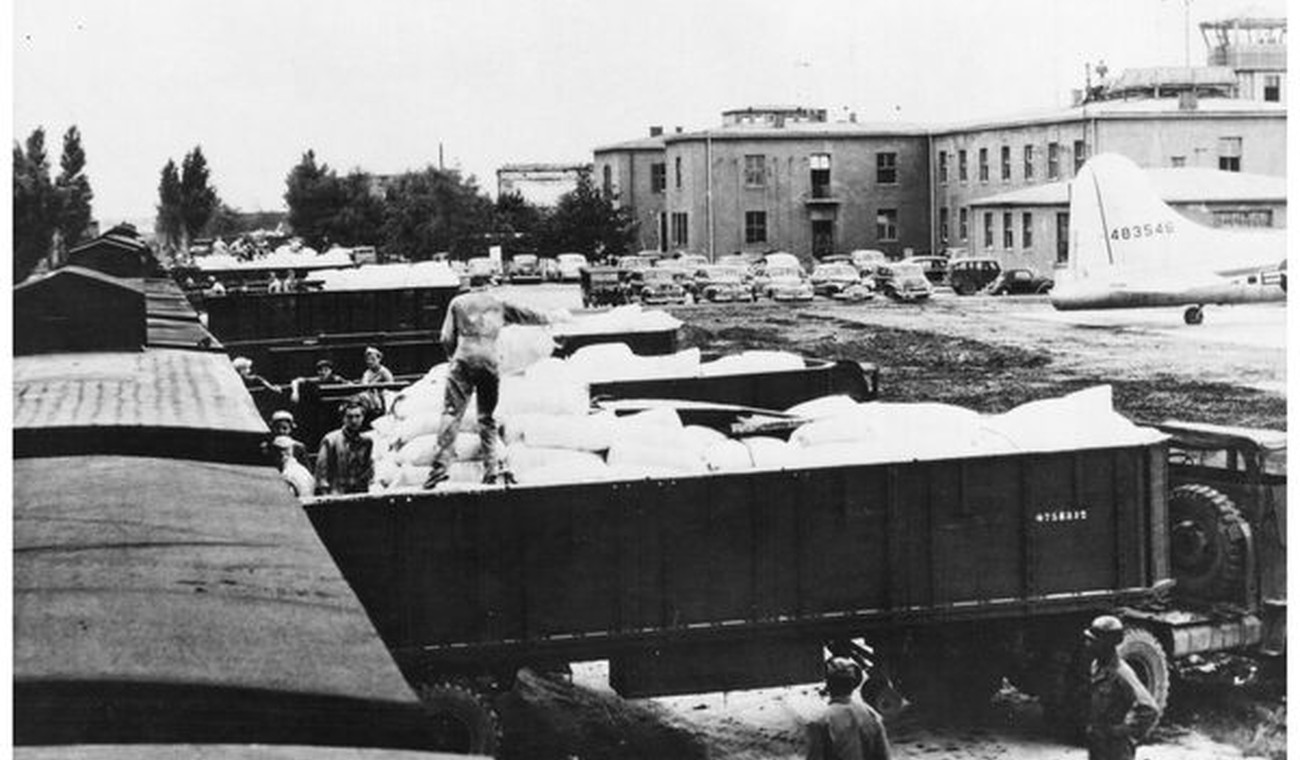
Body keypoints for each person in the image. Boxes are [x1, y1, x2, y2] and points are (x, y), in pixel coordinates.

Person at [423, 273, 560, 488]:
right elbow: (526, 314)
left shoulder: (457, 303)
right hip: (489, 358)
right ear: (489, 285)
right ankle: (491, 470)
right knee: (487, 417)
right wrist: (550, 317)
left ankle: (439, 470)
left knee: (451, 414)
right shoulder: (498, 303)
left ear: (471, 285)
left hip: (464, 356)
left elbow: (445, 337)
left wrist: (454, 357)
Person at [1084, 616, 1160, 760]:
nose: (1088, 644)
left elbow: (1149, 709)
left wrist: (1119, 731)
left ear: (1108, 644)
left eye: (1094, 641)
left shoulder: (1122, 674)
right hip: (1098, 745)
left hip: (1116, 750)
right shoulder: (1097, 665)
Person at [805, 657, 892, 760]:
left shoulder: (820, 722)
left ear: (828, 685)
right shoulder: (872, 716)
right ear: (853, 685)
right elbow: (884, 756)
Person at [314, 400, 374, 495]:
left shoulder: (367, 442)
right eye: (350, 417)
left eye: (357, 416)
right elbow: (321, 475)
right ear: (343, 419)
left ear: (363, 418)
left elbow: (368, 470)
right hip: (337, 494)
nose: (354, 421)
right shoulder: (331, 440)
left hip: (359, 493)